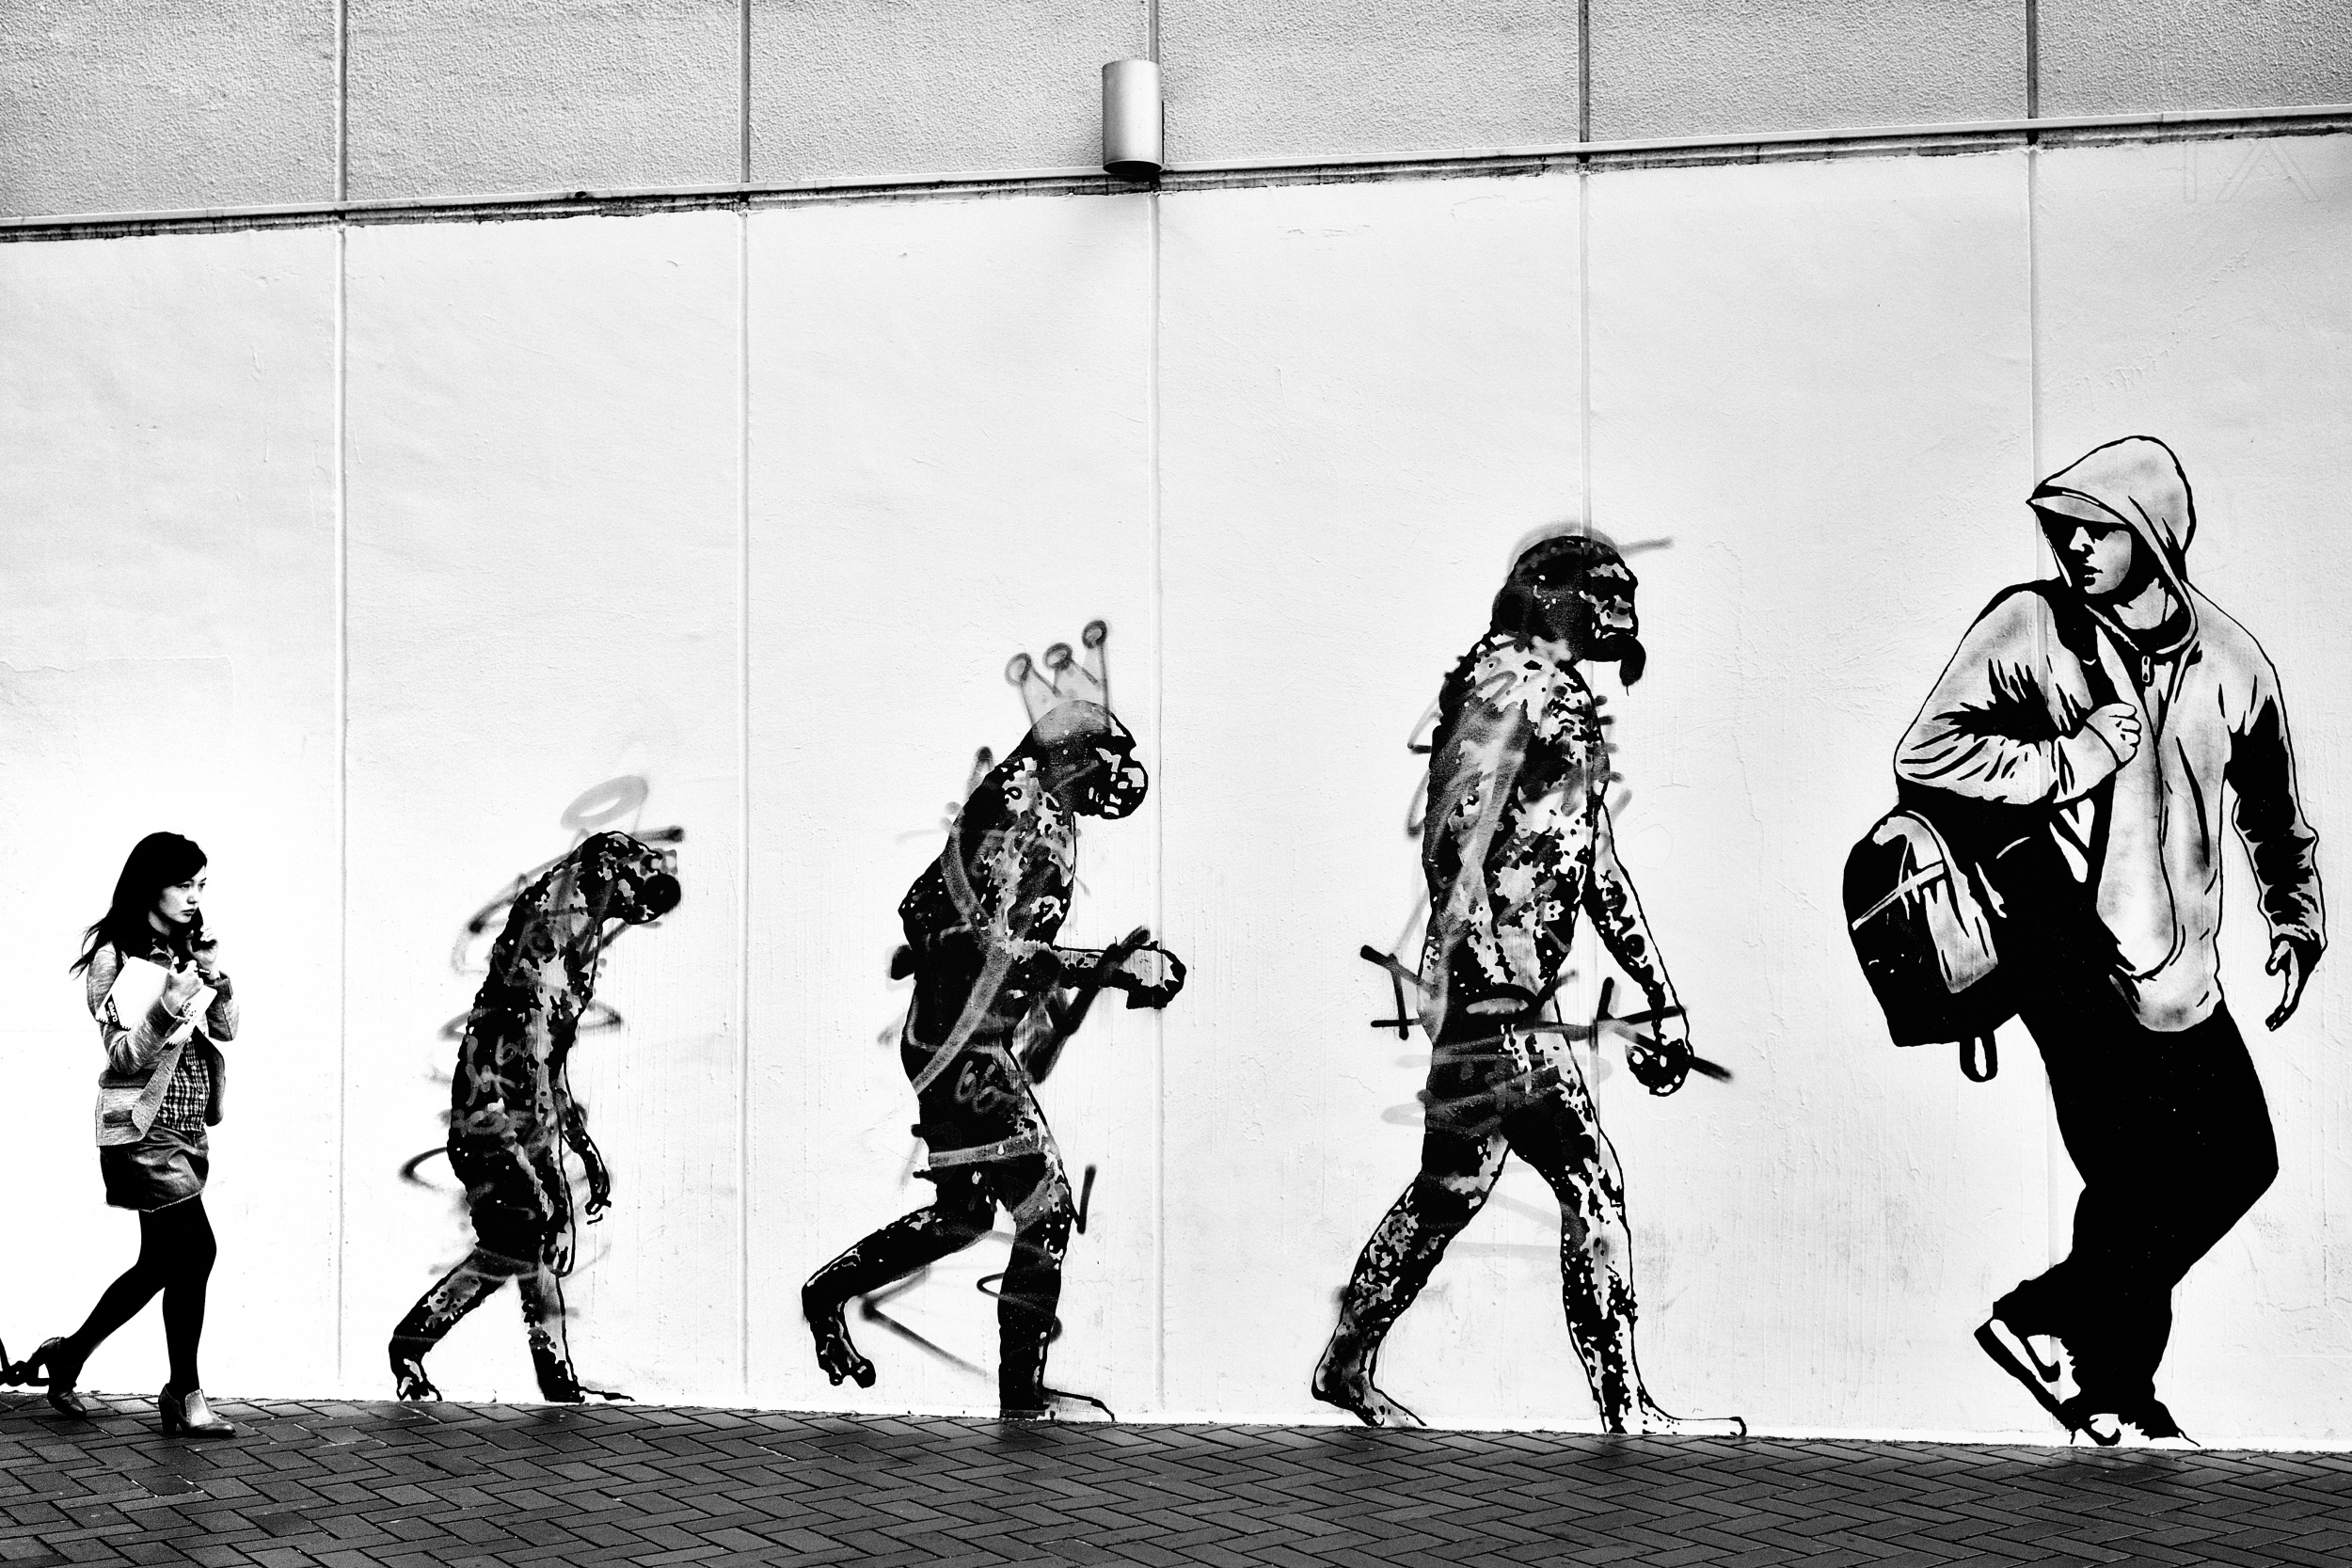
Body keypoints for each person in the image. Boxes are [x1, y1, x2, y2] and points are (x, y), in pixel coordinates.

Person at [1896, 436, 2322, 1447]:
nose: (2074, 546)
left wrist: (2296, 918)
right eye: (2063, 528)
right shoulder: (2030, 626)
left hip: (2184, 971)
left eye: (2097, 529)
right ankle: (2114, 1388)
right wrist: (2071, 756)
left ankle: (2060, 1330)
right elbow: (1926, 752)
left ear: (2154, 534)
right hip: (2065, 954)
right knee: (2135, 1178)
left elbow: (2272, 811)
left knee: (2238, 1160)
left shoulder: (2234, 662)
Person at [1313, 535, 1742, 1435]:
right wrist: (1491, 985)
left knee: (1449, 1190)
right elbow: (1454, 838)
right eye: (1602, 590)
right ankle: (1627, 1409)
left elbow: (1594, 861)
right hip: (1498, 995)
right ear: (1546, 594)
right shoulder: (1511, 684)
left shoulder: (1556, 691)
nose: (1621, 607)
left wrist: (1659, 993)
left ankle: (1345, 1363)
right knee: (1591, 1181)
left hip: (1501, 993)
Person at [803, 623, 1184, 1422]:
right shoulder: (1026, 817)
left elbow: (921, 906)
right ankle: (1021, 1398)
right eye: (1106, 762)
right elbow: (1003, 950)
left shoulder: (1024, 801)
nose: (1119, 781)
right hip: (964, 1048)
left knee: (966, 1212)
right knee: (1047, 1204)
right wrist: (1115, 967)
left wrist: (957, 961)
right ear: (1072, 757)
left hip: (945, 1039)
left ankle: (828, 1291)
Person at [388, 831, 680, 1402]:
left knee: (524, 1242)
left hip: (509, 1114)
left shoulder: (567, 939)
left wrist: (584, 1150)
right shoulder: (548, 948)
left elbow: (552, 1062)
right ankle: (427, 1346)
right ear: (614, 881)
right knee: (536, 1230)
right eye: (638, 900)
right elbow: (537, 1071)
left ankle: (543, 1376)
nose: (638, 916)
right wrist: (559, 1184)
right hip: (495, 1119)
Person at [12, 833, 239, 1436]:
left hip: (188, 1126)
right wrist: (167, 1004)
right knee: (196, 1251)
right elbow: (123, 1056)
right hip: (142, 1131)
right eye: (183, 884)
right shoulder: (114, 958)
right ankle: (183, 1393)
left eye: (201, 885)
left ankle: (68, 1355)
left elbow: (226, 1030)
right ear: (149, 885)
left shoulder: (185, 949)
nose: (194, 897)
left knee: (160, 1260)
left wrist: (215, 976)